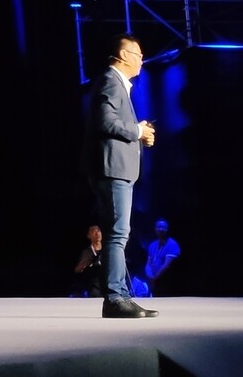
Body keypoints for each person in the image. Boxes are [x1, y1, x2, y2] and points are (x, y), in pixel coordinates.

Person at [83, 34, 158, 318]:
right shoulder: (111, 82)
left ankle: (120, 295)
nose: (141, 60)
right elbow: (106, 121)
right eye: (138, 54)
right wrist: (137, 130)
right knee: (117, 233)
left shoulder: (116, 85)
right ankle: (115, 298)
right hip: (112, 169)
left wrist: (140, 134)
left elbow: (114, 124)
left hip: (117, 168)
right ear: (124, 55)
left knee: (118, 233)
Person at [143, 218, 181, 296]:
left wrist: (155, 278)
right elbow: (148, 263)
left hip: (166, 283)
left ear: (167, 229)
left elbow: (166, 265)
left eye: (163, 227)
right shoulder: (152, 245)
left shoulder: (172, 244)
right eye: (158, 227)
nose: (161, 229)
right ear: (155, 229)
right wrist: (149, 275)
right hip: (153, 282)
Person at [71, 225, 108, 298]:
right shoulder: (87, 252)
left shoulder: (107, 249)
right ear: (88, 236)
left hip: (109, 283)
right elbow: (77, 270)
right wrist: (86, 263)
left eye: (98, 231)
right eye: (93, 231)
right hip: (95, 286)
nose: (97, 233)